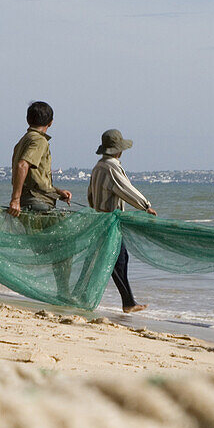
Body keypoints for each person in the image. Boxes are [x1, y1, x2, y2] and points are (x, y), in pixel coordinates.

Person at [88, 129, 156, 313]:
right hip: (110, 222)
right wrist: (145, 206)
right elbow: (126, 189)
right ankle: (128, 303)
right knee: (118, 261)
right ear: (118, 150)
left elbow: (90, 195)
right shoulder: (111, 167)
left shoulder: (98, 166)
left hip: (101, 220)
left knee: (118, 260)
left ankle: (128, 301)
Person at [8, 101, 71, 216]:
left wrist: (57, 192)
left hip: (31, 200)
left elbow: (34, 178)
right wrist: (15, 200)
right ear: (51, 122)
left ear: (28, 120)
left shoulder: (24, 140)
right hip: (37, 203)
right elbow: (22, 165)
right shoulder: (39, 140)